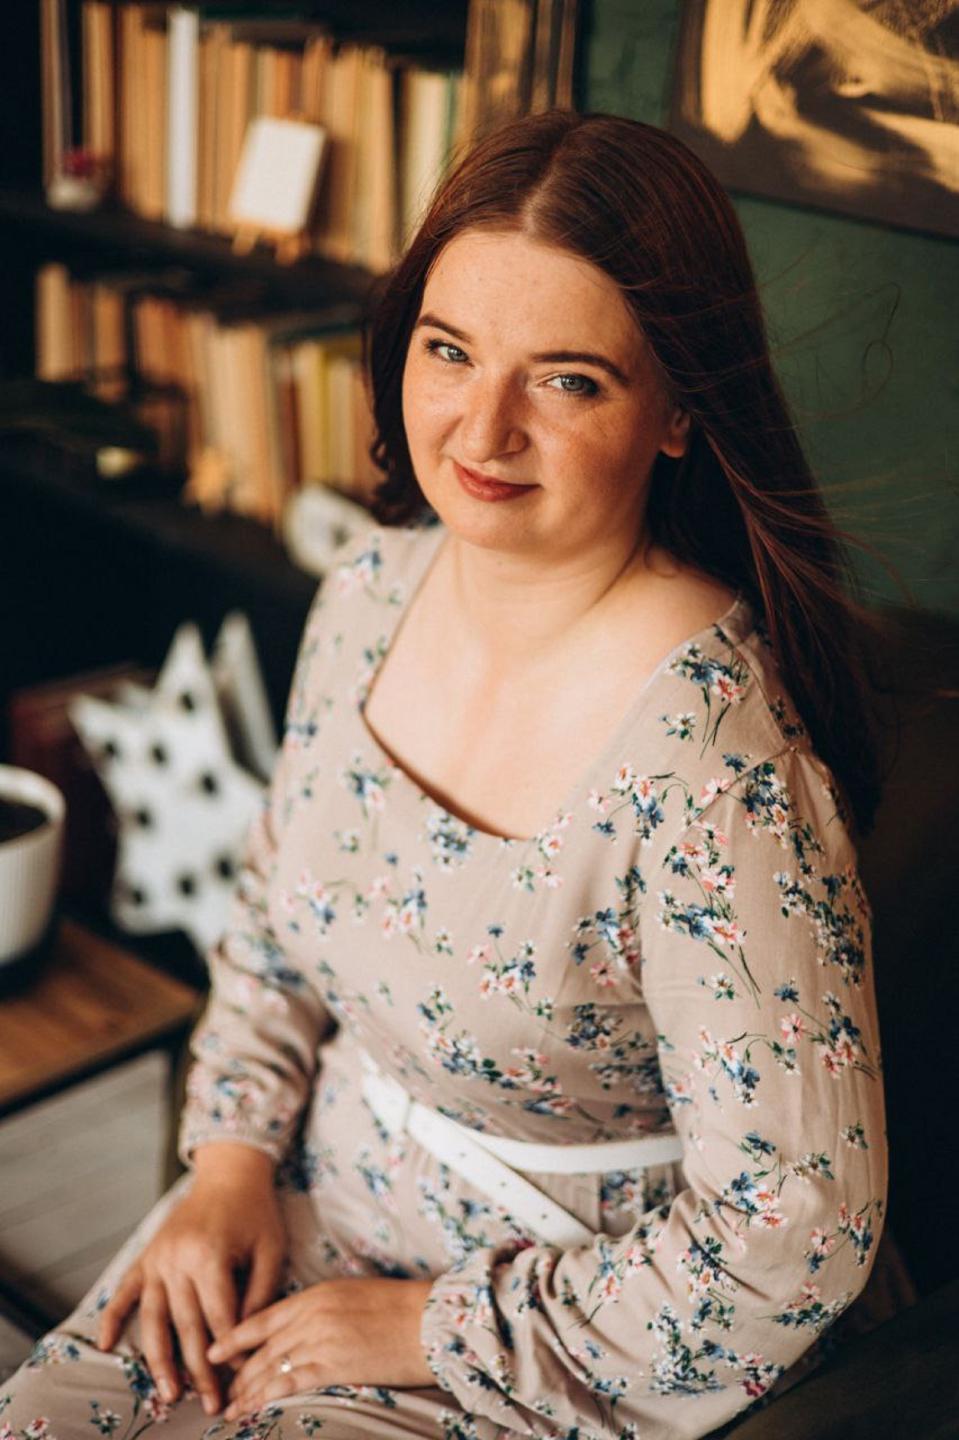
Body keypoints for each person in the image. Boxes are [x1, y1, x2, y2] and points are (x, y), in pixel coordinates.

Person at [4, 109, 888, 1440]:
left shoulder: (715, 768)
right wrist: (227, 1165)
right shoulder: (368, 590)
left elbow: (794, 1235)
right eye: (449, 349)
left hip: (571, 1326)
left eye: (568, 381)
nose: (484, 427)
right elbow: (274, 929)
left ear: (678, 411)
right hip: (312, 1203)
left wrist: (436, 1326)